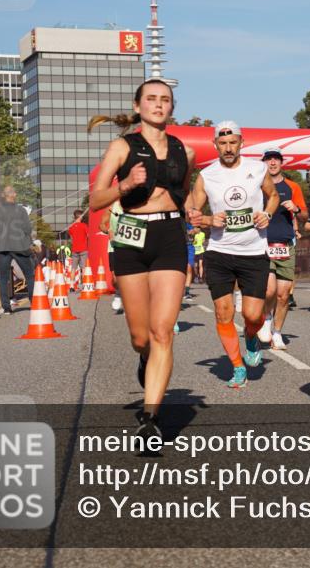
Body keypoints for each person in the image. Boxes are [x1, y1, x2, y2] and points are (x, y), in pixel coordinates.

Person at [88, 79, 196, 441]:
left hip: (169, 237)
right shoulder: (122, 146)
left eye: (165, 100)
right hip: (132, 238)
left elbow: (186, 195)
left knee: (163, 331)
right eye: (151, 99)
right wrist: (127, 185)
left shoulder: (185, 150)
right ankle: (144, 359)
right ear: (138, 107)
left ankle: (150, 418)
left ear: (171, 107)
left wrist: (193, 212)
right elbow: (96, 200)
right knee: (141, 337)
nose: (158, 105)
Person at [186, 121, 279, 388]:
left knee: (252, 315)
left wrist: (267, 214)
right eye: (223, 143)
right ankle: (238, 367)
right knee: (223, 313)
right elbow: (191, 214)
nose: (228, 148)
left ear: (241, 143)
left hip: (253, 251)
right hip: (219, 252)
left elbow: (272, 196)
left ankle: (251, 336)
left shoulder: (257, 168)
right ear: (215, 145)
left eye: (233, 143)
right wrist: (207, 219)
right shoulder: (206, 175)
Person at [257, 147, 308, 350]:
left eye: (276, 159)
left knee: (283, 294)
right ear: (264, 163)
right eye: (268, 159)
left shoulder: (292, 186)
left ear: (282, 163)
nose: (272, 163)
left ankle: (277, 332)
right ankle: (266, 320)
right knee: (269, 291)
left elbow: (305, 216)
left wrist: (296, 209)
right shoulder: (257, 186)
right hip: (262, 243)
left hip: (285, 245)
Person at [0, 184, 36, 315]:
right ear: (13, 195)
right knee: (29, 275)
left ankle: (6, 307)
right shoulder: (21, 210)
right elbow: (27, 229)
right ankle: (34, 301)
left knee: (3, 277)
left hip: (3, 246)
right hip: (20, 246)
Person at [98, 200, 125, 313]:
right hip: (114, 245)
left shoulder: (137, 204)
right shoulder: (113, 207)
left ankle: (131, 303)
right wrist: (108, 230)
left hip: (132, 245)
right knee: (115, 277)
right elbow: (102, 224)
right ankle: (118, 293)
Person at [68, 209, 89, 287]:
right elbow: (88, 236)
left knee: (73, 268)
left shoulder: (71, 227)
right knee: (84, 268)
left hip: (74, 250)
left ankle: (71, 286)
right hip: (83, 249)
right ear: (80, 217)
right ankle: (85, 285)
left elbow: (71, 237)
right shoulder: (84, 226)